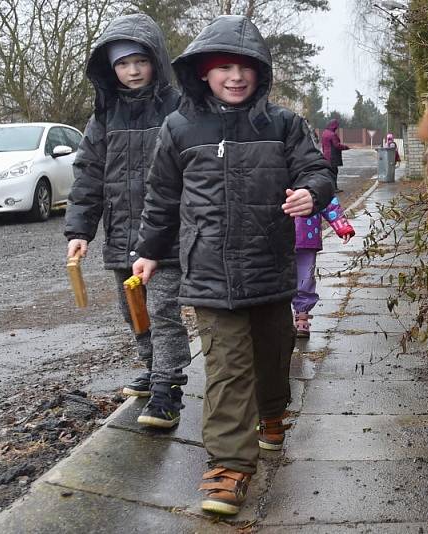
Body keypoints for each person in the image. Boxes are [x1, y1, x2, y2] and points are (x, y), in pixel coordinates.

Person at [131, 15, 334, 516]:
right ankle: (228, 468)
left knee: (270, 358)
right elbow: (162, 198)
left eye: (245, 67)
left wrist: (312, 191)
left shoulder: (283, 123)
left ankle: (271, 415)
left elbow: (316, 169)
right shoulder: (179, 127)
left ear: (260, 72)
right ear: (203, 71)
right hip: (207, 270)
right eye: (224, 67)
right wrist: (150, 250)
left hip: (269, 264)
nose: (235, 77)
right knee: (225, 370)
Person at [64, 14, 190, 429]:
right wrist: (80, 230)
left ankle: (168, 388)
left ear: (155, 59)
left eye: (140, 60)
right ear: (109, 68)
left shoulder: (179, 107)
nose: (132, 71)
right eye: (122, 63)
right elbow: (89, 175)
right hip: (122, 235)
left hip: (167, 237)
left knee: (163, 309)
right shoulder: (104, 115)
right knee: (133, 308)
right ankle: (154, 367)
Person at [293, 197, 355, 337]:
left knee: (305, 277)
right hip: (275, 234)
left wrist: (341, 225)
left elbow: (326, 198)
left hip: (306, 235)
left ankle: (302, 314)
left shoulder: (311, 176)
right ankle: (276, 316)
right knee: (276, 278)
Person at [320, 118, 349, 192]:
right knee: (334, 172)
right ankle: (334, 188)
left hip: (326, 155)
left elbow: (323, 145)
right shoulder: (332, 135)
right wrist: (346, 147)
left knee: (329, 172)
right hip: (333, 156)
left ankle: (329, 188)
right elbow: (337, 145)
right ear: (334, 126)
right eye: (336, 126)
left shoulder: (324, 133)